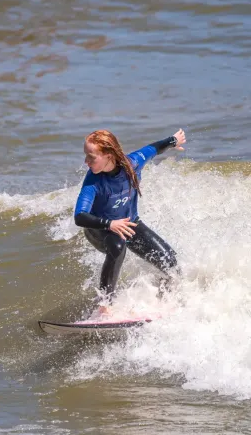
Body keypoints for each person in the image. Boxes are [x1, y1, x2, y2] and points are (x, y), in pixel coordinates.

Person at [74, 129, 186, 310]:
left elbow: (153, 148)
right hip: (100, 230)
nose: (86, 161)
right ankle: (105, 306)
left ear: (108, 155)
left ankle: (166, 300)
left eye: (91, 157)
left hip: (129, 223)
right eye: (86, 156)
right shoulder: (93, 181)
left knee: (171, 263)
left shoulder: (132, 163)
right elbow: (80, 216)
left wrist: (174, 140)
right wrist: (110, 224)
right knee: (117, 246)